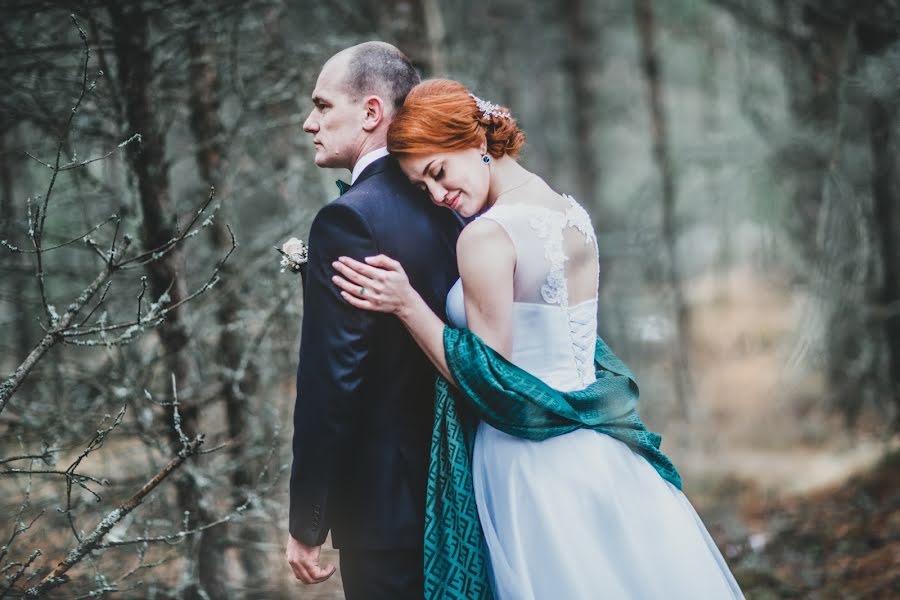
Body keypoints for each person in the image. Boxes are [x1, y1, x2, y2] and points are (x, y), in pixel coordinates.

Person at [331, 79, 744, 599]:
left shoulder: (486, 235)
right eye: (422, 188)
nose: (438, 195)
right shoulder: (570, 212)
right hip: (600, 450)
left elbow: (489, 377)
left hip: (527, 460)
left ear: (476, 142)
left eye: (438, 172)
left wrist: (406, 304)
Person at [286, 45, 464, 599]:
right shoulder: (455, 200)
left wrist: (307, 519)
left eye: (322, 105)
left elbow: (331, 379)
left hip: (387, 506)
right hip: (468, 480)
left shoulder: (349, 219)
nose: (308, 123)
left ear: (369, 113)